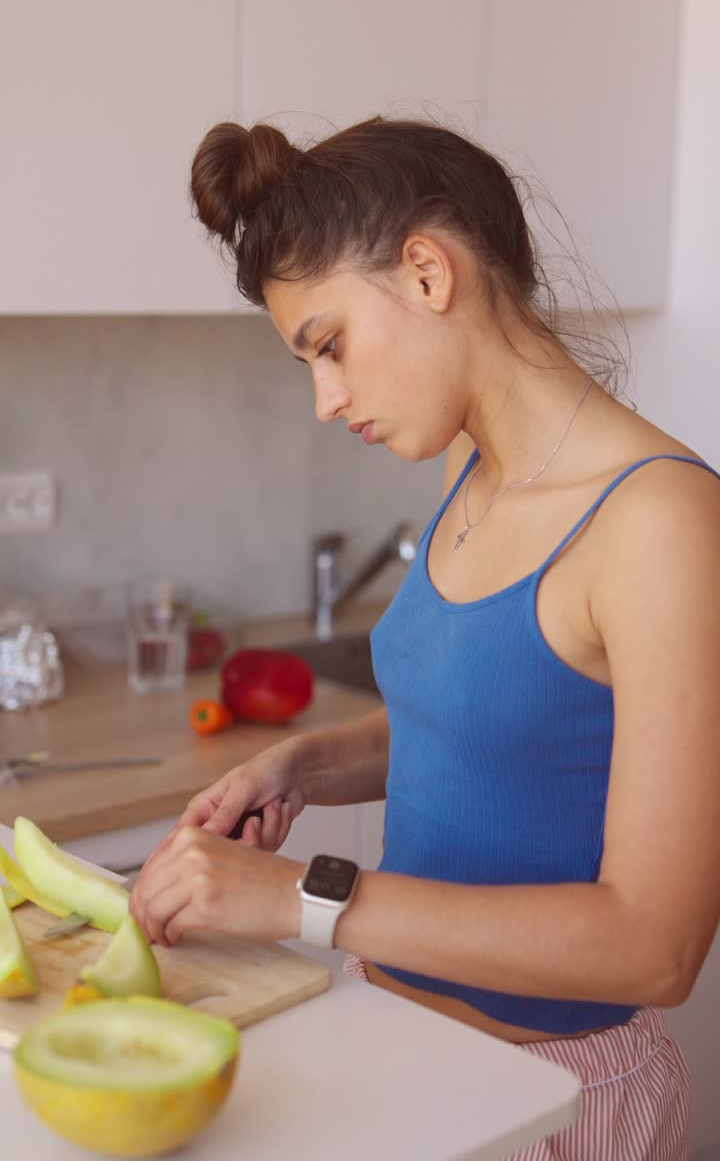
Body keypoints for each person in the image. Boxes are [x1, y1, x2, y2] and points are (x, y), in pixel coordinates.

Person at [130, 115, 720, 1160]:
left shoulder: (662, 523)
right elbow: (507, 727)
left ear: (426, 272)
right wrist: (305, 761)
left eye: (329, 345)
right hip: (393, 1048)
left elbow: (654, 946)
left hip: (558, 1098)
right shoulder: (469, 473)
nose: (325, 398)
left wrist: (302, 897)